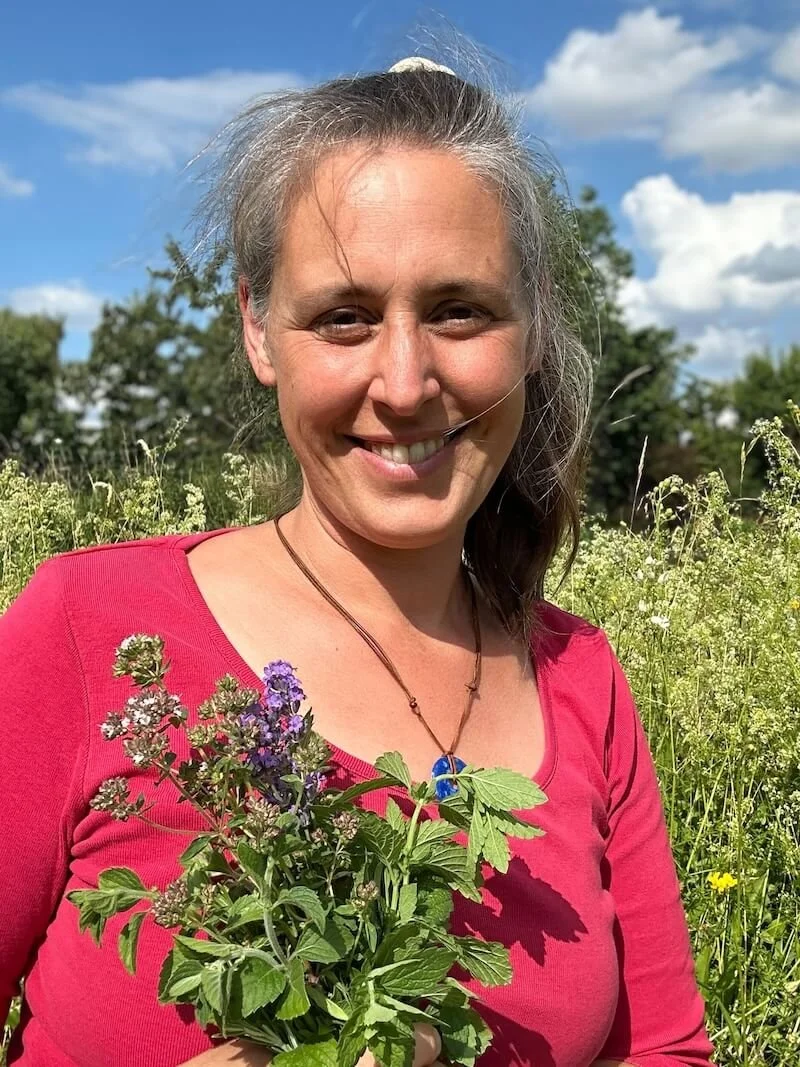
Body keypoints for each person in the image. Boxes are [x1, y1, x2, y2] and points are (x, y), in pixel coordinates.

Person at [0, 55, 715, 1067]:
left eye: (460, 308)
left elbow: (664, 1050)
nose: (404, 379)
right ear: (258, 327)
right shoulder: (85, 624)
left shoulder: (581, 677)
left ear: (532, 326)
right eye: (342, 315)